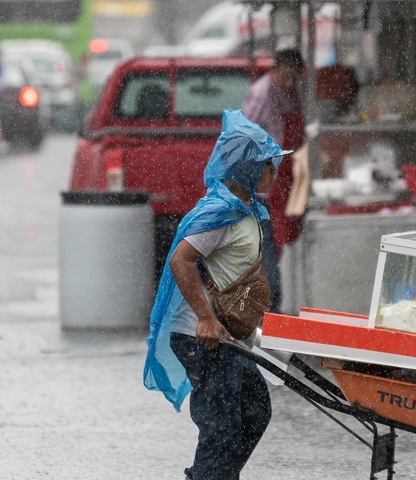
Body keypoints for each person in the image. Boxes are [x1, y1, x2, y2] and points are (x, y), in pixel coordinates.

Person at [143, 110, 290, 480]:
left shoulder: (246, 210)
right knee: (221, 428)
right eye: (268, 166)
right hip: (203, 335)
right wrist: (206, 318)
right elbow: (181, 260)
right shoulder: (219, 211)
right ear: (247, 169)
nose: (274, 172)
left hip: (228, 333)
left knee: (254, 411)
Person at [242, 48, 309, 314]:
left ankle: (275, 308)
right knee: (267, 248)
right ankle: (270, 311)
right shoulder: (261, 94)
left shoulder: (290, 92)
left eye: (296, 77)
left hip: (286, 181)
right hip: (264, 184)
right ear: (277, 69)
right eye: (288, 76)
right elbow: (243, 138)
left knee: (280, 247)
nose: (292, 83)